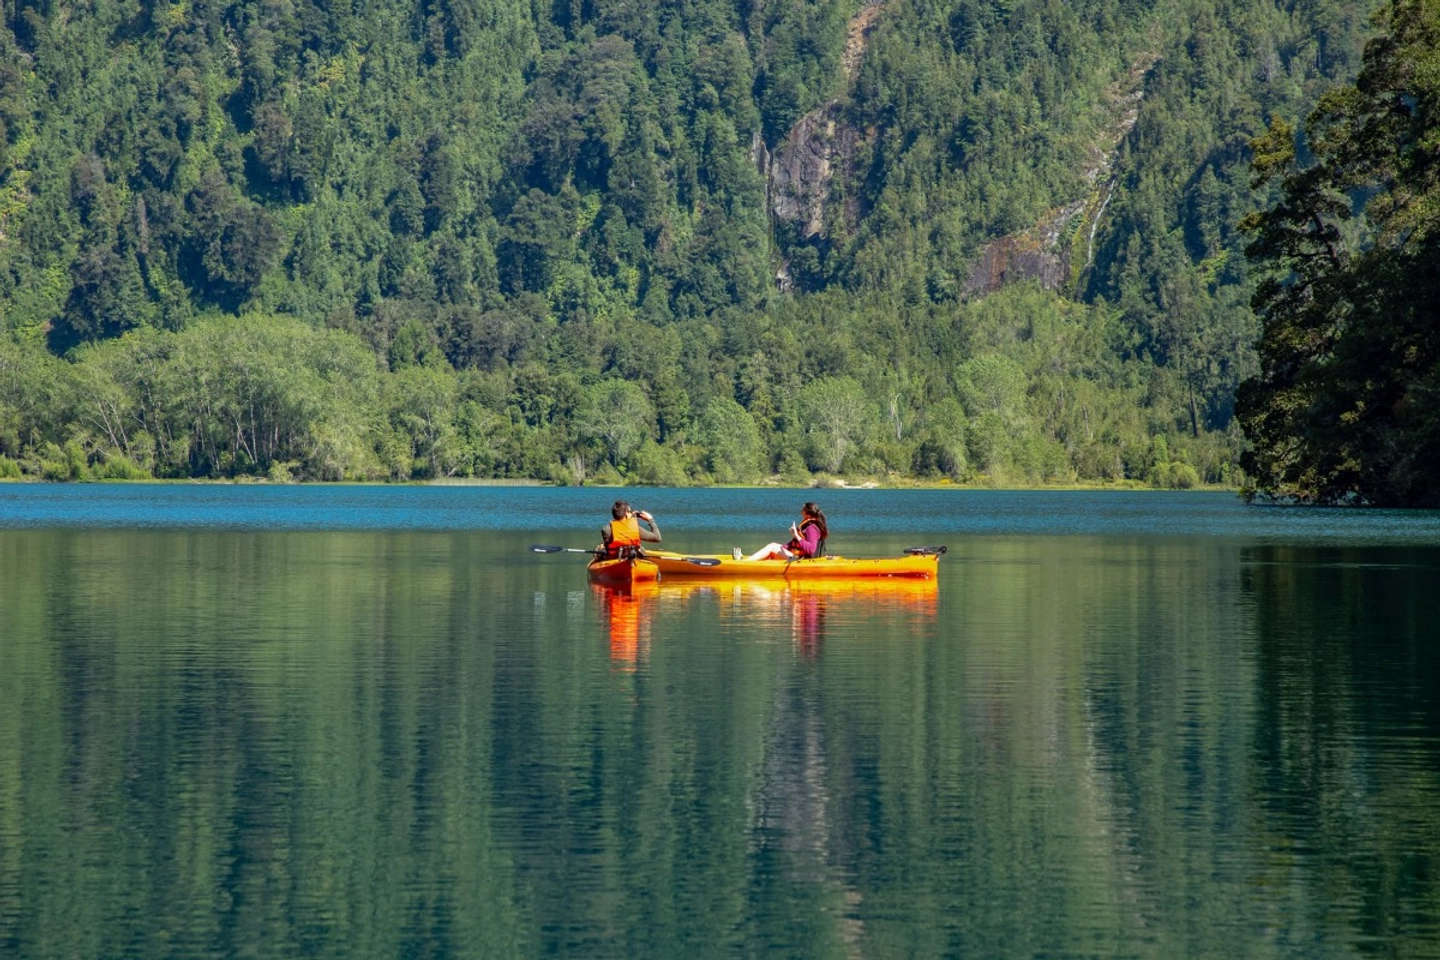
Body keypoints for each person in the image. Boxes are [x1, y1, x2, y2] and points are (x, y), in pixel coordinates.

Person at [739, 502, 827, 561]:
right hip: (796, 555)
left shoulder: (812, 528)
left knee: (772, 547)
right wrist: (783, 547)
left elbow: (811, 549)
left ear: (807, 514)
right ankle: (750, 561)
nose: (801, 511)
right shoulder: (807, 525)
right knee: (773, 546)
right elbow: (794, 543)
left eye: (802, 509)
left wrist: (796, 535)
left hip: (801, 559)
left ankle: (745, 563)